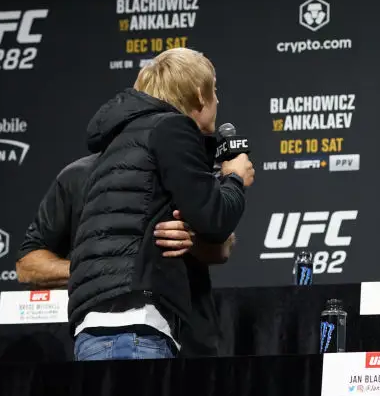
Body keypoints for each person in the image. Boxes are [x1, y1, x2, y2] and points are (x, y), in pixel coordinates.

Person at [67, 47, 255, 361]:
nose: (218, 100)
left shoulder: (122, 140)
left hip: (96, 329)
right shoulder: (172, 128)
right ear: (199, 94)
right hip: (135, 330)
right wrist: (234, 179)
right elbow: (215, 220)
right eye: (215, 90)